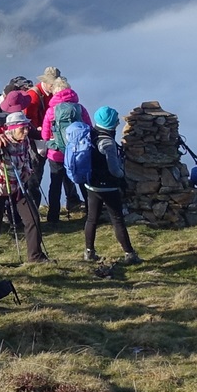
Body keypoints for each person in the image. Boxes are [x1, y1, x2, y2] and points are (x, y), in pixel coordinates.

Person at [0, 110, 47, 265]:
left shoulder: (25, 141)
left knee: (33, 218)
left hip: (17, 187)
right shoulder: (0, 143)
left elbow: (26, 159)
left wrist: (27, 171)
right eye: (23, 128)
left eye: (27, 127)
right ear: (12, 128)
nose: (26, 131)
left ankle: (35, 257)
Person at [80, 104, 140, 275]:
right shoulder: (107, 142)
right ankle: (130, 254)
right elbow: (114, 170)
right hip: (108, 187)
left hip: (91, 185)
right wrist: (122, 175)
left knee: (92, 219)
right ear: (112, 124)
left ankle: (89, 252)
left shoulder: (90, 134)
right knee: (117, 220)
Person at [39, 70, 84, 227]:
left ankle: (53, 216)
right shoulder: (79, 108)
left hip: (56, 153)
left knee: (55, 184)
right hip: (78, 152)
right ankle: (93, 212)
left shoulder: (51, 111)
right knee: (82, 180)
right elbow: (88, 128)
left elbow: (45, 135)